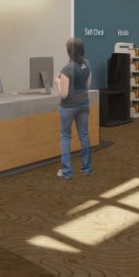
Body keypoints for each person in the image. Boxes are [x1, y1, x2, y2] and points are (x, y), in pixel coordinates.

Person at [54, 38, 92, 180]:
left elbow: (64, 94)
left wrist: (57, 82)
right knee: (84, 135)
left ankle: (67, 172)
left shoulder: (67, 69)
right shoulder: (87, 64)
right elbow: (88, 85)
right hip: (83, 104)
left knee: (65, 137)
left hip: (68, 107)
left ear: (68, 51)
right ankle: (87, 168)